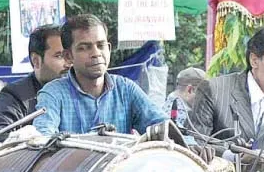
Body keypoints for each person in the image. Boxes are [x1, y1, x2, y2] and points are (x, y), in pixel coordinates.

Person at [34, 14, 166, 135]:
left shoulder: (125, 89)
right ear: (68, 56)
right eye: (84, 48)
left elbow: (163, 126)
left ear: (109, 49)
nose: (96, 53)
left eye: (101, 45)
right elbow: (43, 137)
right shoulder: (53, 94)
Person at [190, 27, 264, 155]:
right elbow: (196, 144)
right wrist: (233, 156)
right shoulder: (214, 90)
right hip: (221, 167)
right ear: (254, 60)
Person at [0, 24, 70, 144]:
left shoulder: (85, 89)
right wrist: (31, 139)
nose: (68, 64)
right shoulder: (16, 95)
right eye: (59, 56)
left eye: (69, 55)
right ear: (36, 61)